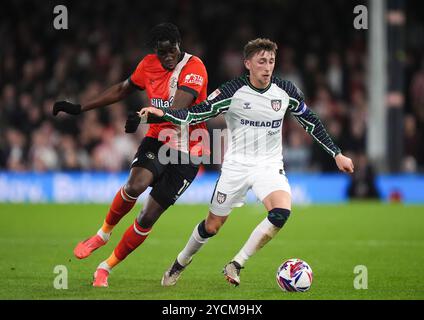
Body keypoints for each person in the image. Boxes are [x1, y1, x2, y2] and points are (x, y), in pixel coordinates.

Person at [139, 38, 354, 286]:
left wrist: (336, 153)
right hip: (236, 166)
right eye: (262, 61)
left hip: (269, 166)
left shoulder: (285, 91)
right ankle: (179, 264)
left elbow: (311, 121)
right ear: (248, 63)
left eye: (271, 61)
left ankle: (237, 263)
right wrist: (163, 113)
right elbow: (196, 112)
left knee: (281, 212)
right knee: (212, 226)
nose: (267, 67)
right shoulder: (232, 91)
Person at [52, 23, 209, 287]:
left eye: (171, 51)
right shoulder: (148, 65)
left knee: (147, 217)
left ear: (179, 46)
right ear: (155, 52)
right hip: (159, 140)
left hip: (190, 151)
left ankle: (106, 267)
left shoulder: (195, 68)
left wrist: (144, 115)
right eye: (162, 53)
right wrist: (82, 107)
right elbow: (122, 88)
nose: (167, 57)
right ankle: (102, 234)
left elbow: (178, 107)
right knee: (135, 185)